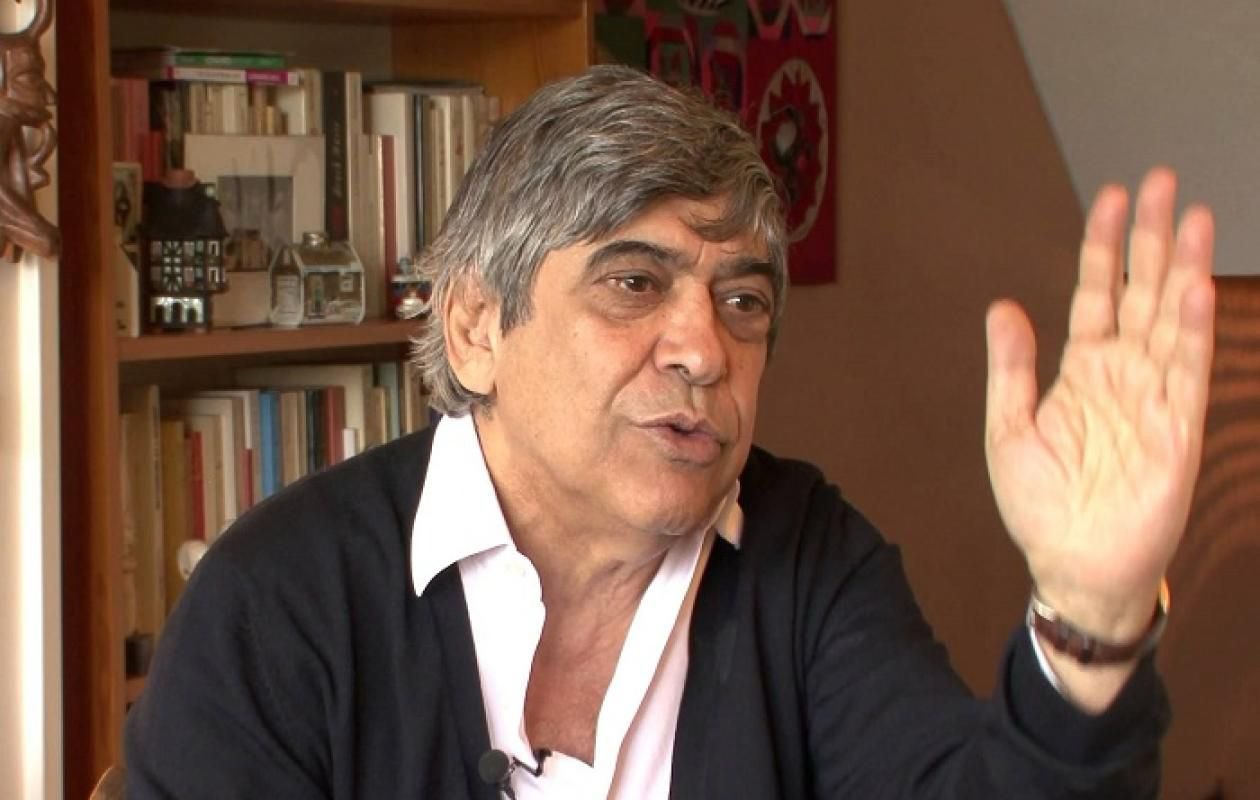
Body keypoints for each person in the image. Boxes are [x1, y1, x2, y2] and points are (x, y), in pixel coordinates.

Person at [124, 65, 1216, 798]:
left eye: (742, 301)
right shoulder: (280, 601)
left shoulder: (806, 558)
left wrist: (1093, 617)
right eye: (633, 282)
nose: (703, 348)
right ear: (475, 327)